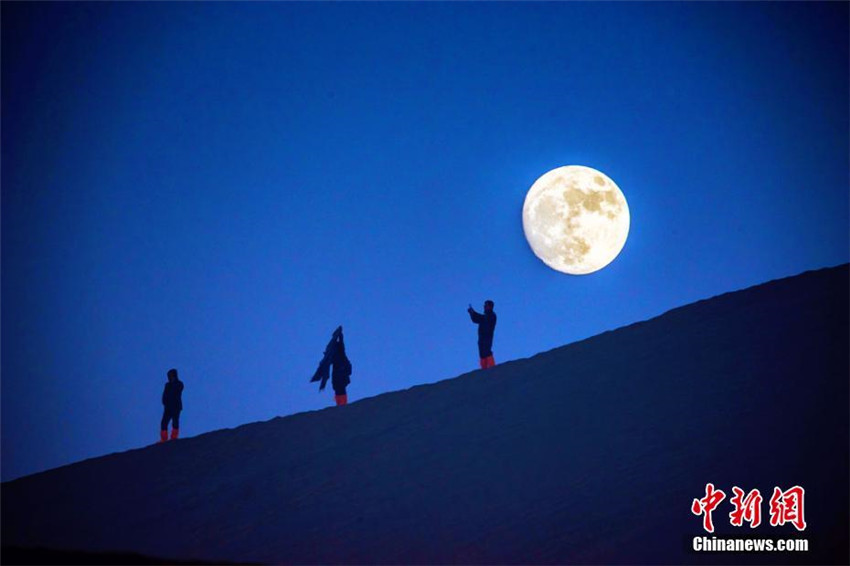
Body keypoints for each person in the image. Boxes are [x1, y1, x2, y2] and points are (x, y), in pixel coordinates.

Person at [310, 326, 352, 406]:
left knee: (340, 389)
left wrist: (340, 335)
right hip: (338, 373)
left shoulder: (338, 351)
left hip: (340, 373)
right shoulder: (334, 352)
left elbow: (341, 347)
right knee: (339, 389)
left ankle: (342, 404)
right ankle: (341, 404)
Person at [468, 300, 497, 369]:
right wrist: (472, 313)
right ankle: (484, 369)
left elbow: (480, 319)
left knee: (487, 351)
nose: (484, 307)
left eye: (486, 305)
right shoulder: (486, 316)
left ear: (490, 307)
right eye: (484, 305)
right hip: (482, 337)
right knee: (482, 353)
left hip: (487, 337)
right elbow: (476, 319)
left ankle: (492, 368)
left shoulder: (492, 315)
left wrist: (473, 313)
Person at [160, 368, 184, 442]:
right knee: (164, 422)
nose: (169, 377)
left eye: (170, 375)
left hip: (176, 406)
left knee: (175, 421)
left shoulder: (179, 384)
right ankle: (164, 438)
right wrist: (164, 402)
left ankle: (174, 437)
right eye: (169, 375)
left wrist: (173, 383)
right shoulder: (167, 385)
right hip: (168, 407)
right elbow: (165, 395)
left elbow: (177, 391)